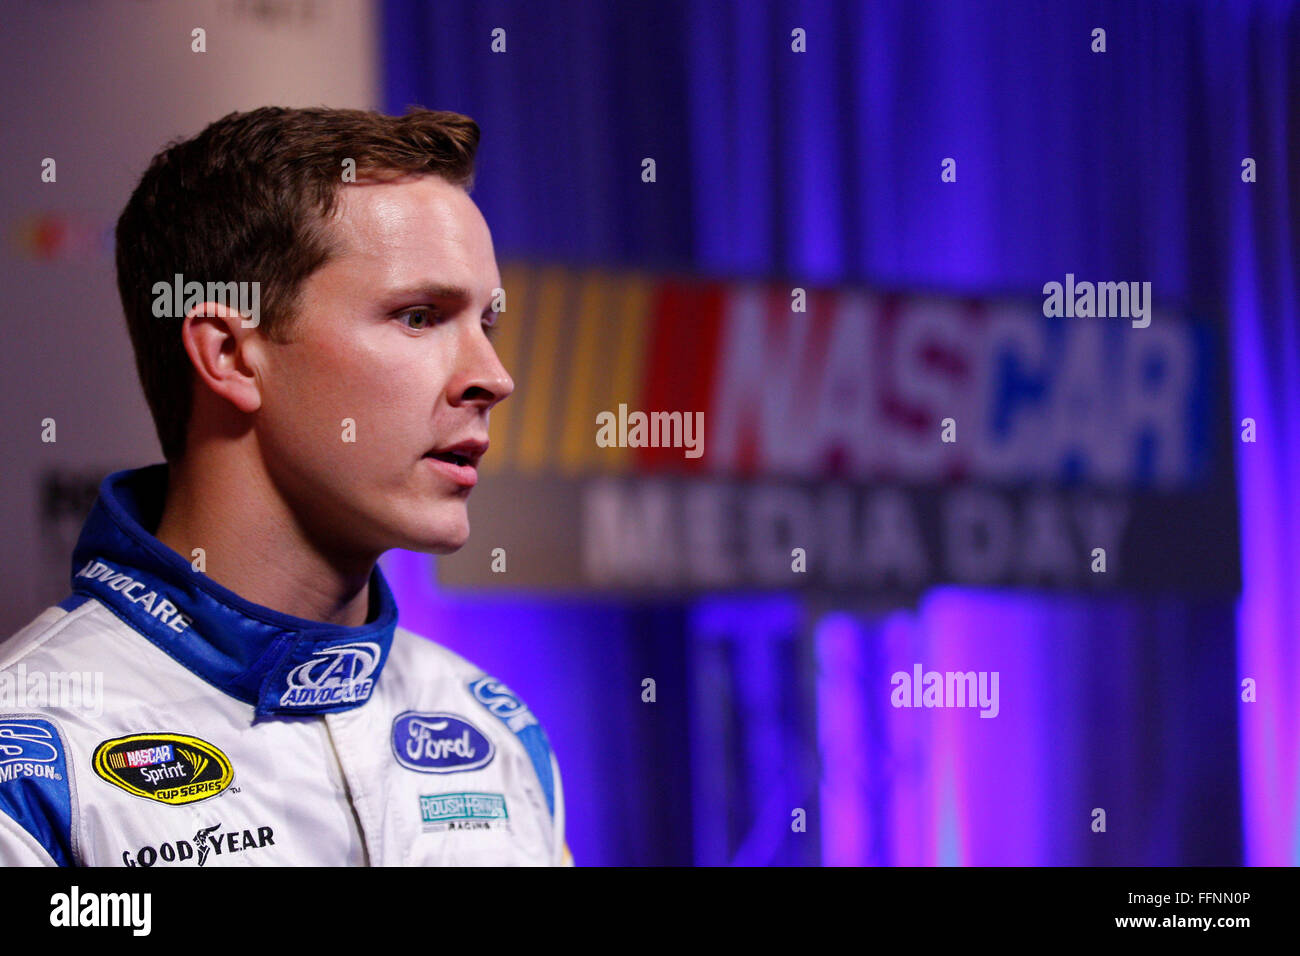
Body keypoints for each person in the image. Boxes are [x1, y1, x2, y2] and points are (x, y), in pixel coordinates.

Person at [0, 106, 570, 866]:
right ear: (232, 354)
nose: (492, 379)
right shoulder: (36, 758)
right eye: (419, 317)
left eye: (486, 325)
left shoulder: (495, 729)